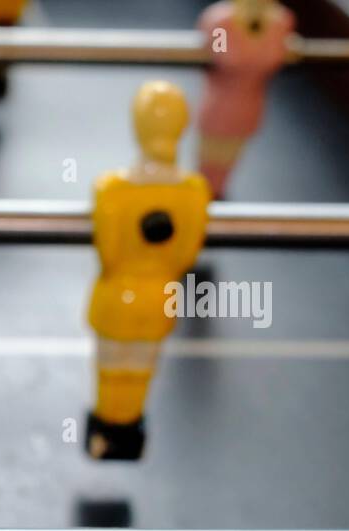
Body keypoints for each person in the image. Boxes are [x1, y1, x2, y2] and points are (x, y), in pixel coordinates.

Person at [85, 81, 210, 461]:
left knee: (110, 369)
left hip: (116, 296)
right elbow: (186, 256)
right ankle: (128, 430)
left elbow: (108, 253)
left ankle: (105, 430)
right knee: (141, 369)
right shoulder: (194, 191)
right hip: (160, 299)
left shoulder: (112, 191)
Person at [197, 0, 295, 198]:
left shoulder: (281, 22)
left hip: (251, 104)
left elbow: (281, 52)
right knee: (210, 158)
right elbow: (221, 55)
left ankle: (218, 193)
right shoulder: (220, 22)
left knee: (230, 157)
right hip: (220, 104)